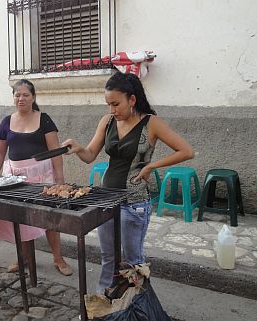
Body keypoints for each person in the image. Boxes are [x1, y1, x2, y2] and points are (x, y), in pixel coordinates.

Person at [62, 72, 194, 292]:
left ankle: (137, 303)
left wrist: (151, 166)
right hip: (106, 200)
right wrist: (77, 148)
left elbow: (187, 151)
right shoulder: (107, 121)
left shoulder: (151, 123)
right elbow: (89, 155)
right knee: (107, 256)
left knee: (133, 260)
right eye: (108, 105)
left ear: (132, 99)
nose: (112, 110)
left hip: (134, 204)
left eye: (116, 104)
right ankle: (104, 301)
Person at [0, 79, 73, 276]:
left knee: (48, 217)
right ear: (13, 98)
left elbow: (56, 151)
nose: (21, 98)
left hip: (41, 176)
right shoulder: (6, 122)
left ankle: (58, 258)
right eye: (17, 95)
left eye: (25, 95)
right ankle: (25, 257)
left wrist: (59, 179)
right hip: (14, 178)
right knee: (20, 217)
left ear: (33, 97)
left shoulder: (44, 119)